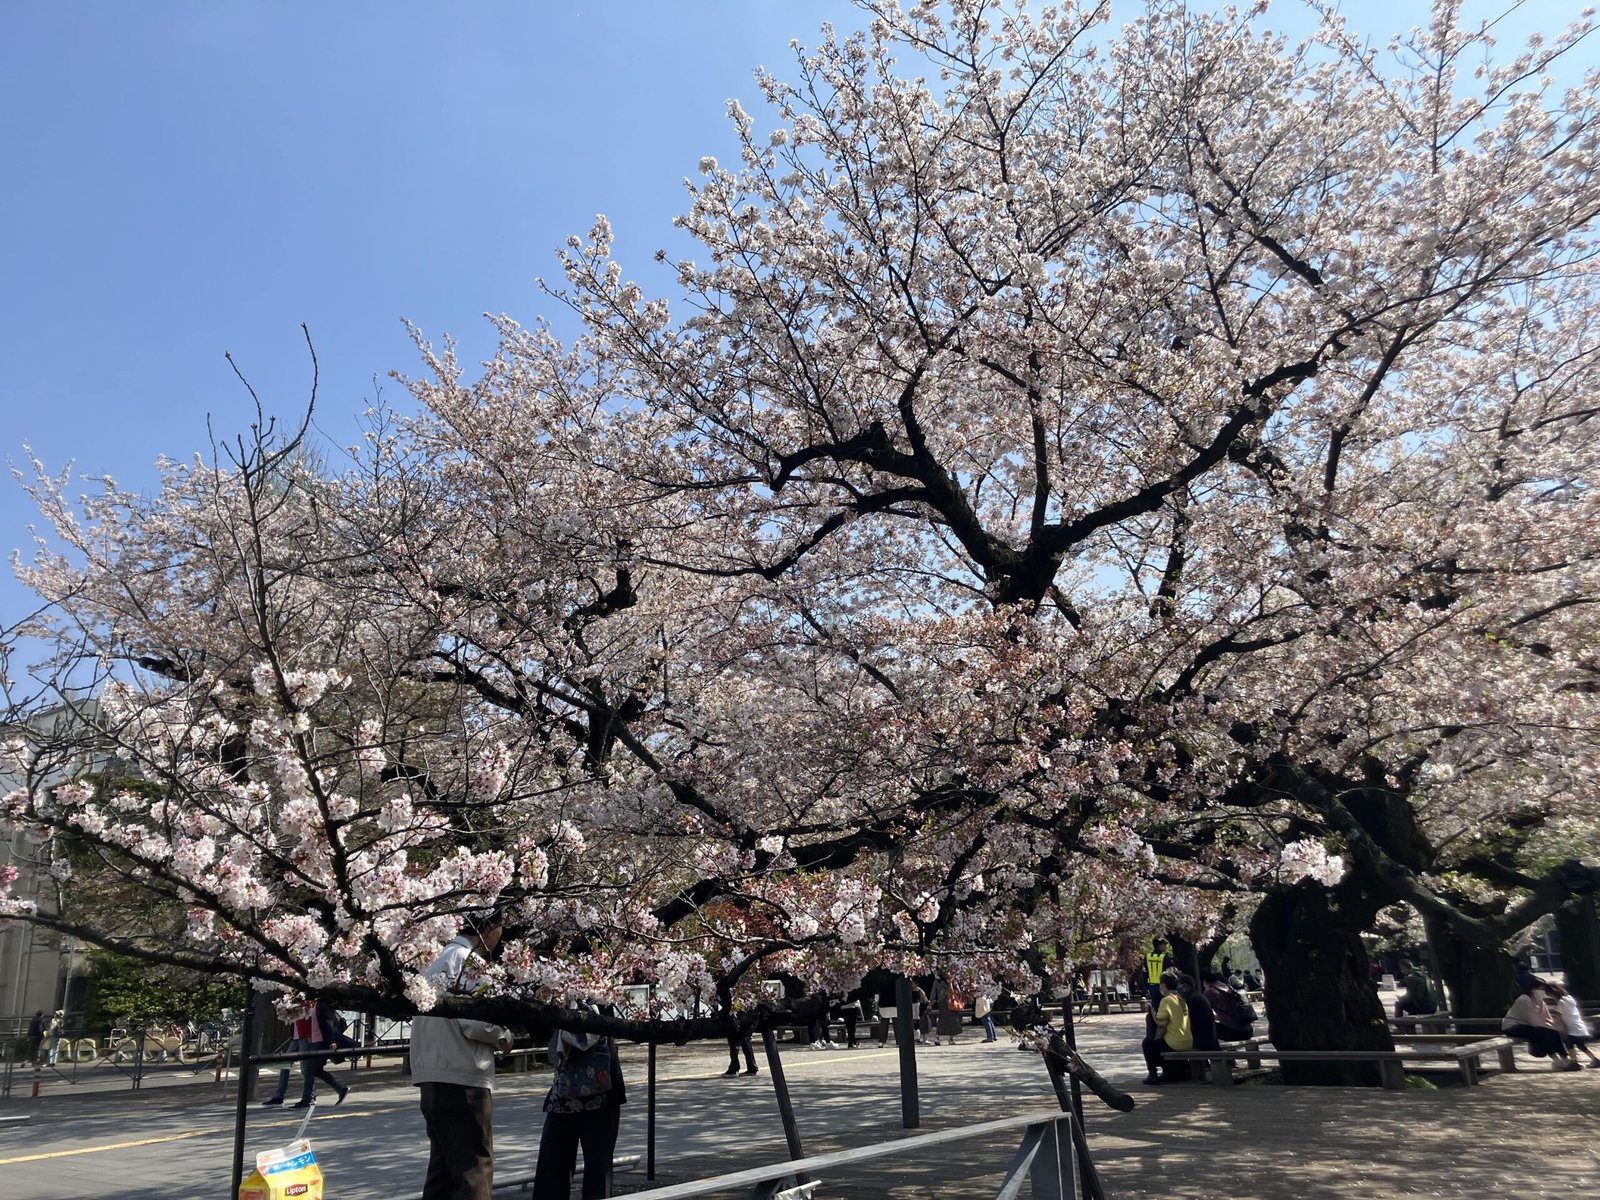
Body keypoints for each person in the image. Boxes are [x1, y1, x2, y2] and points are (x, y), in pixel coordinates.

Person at [412, 912, 516, 1200]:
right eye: (500, 928)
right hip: (464, 1077)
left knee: (443, 1168)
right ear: (490, 927)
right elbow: (476, 1021)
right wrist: (504, 1036)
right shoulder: (470, 963)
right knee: (474, 1166)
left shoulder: (433, 961)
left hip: (430, 1078)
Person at [531, 1006, 627, 1200]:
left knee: (598, 1171)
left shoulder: (603, 989)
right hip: (563, 1093)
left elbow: (608, 1021)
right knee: (551, 1167)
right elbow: (538, 1033)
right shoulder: (554, 994)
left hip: (602, 1091)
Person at [1501, 981, 1580, 1071]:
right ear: (1532, 989)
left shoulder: (1540, 1001)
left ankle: (1565, 1058)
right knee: (1541, 1032)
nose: (1542, 991)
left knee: (1553, 1033)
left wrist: (1554, 1027)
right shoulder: (1524, 1000)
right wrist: (1549, 1026)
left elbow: (1546, 1017)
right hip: (1512, 1026)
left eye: (1543, 989)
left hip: (1529, 1026)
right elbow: (1533, 1021)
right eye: (1540, 989)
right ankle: (1556, 1060)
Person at [263, 996, 318, 1107]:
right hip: (297, 1036)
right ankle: (279, 1096)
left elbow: (310, 1013)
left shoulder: (308, 998)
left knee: (306, 1067)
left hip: (305, 1035)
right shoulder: (293, 997)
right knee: (285, 1064)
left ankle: (309, 1097)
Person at [1142, 971, 1192, 1084]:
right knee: (1159, 1044)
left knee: (1147, 1044)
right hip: (1188, 1041)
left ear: (1163, 985)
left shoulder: (1167, 1000)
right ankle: (1170, 1071)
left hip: (1175, 1043)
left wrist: (1152, 1013)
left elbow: (1161, 1022)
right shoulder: (1181, 999)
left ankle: (1153, 1074)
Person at [1544, 983, 1600, 1068]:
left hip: (1573, 1028)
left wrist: (1548, 1020)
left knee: (1569, 1043)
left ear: (1553, 995)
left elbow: (1557, 1019)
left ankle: (1574, 1063)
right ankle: (1595, 1060)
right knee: (1581, 1046)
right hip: (1579, 1026)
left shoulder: (1561, 1003)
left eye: (1551, 996)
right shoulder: (1569, 998)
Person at [1202, 972, 1256, 1042]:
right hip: (1248, 1030)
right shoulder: (1228, 987)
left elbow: (1201, 1009)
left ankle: (1212, 1050)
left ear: (1205, 982)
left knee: (1203, 1026)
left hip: (1234, 1032)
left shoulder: (1210, 992)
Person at [1180, 974, 1219, 1053]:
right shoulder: (1197, 995)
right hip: (1210, 1039)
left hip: (1202, 1040)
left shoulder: (1191, 999)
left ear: (1184, 986)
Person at [1143, 939, 1172, 1010]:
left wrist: (1146, 985)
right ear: (1160, 946)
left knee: (1155, 1006)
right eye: (1164, 944)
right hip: (1163, 985)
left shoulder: (1147, 957)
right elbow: (1169, 972)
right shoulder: (1165, 957)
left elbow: (1144, 972)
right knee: (1164, 1006)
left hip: (1152, 985)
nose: (1166, 946)